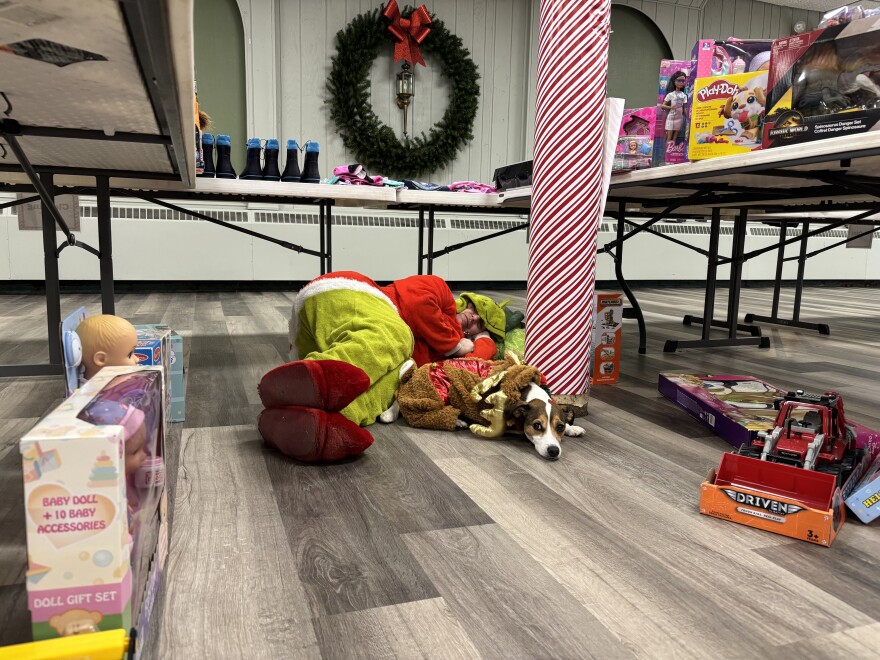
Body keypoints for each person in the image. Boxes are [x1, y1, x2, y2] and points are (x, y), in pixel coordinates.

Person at [258, 271, 496, 463]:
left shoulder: (441, 353)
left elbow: (475, 363)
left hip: (338, 345)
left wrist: (483, 339)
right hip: (345, 294)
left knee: (393, 382)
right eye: (476, 310)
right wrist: (455, 344)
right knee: (398, 335)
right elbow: (417, 303)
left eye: (480, 324)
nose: (474, 318)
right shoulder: (439, 290)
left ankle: (317, 425)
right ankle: (312, 376)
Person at [659, 72, 688, 145]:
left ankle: (672, 149)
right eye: (679, 80)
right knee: (669, 136)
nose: (681, 83)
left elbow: (684, 108)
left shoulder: (684, 95)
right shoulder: (670, 94)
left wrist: (688, 116)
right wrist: (670, 107)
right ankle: (667, 151)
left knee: (675, 137)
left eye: (683, 81)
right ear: (674, 81)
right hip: (671, 117)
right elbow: (663, 106)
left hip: (679, 118)